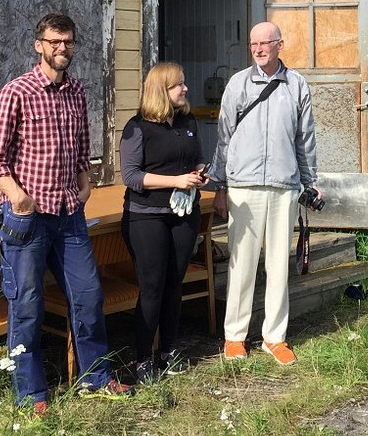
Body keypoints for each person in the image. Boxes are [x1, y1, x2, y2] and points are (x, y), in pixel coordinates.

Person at [0, 12, 133, 413]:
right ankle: (31, 396)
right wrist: (17, 196)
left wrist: (85, 179)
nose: (61, 48)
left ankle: (96, 378)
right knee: (27, 305)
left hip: (69, 216)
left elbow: (81, 146)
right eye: (54, 42)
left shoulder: (77, 91)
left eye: (67, 42)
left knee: (88, 297)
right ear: (39, 45)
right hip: (27, 221)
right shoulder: (15, 93)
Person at [208, 21, 321, 366]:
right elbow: (224, 137)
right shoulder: (238, 83)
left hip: (283, 186)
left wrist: (310, 180)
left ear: (279, 45)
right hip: (243, 186)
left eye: (265, 43)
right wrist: (220, 186)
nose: (258, 49)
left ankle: (275, 338)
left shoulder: (297, 84)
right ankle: (235, 337)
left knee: (277, 266)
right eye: (253, 44)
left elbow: (305, 138)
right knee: (242, 265)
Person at [119, 62, 208, 384]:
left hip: (184, 214)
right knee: (152, 287)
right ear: (162, 90)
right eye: (178, 85)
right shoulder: (137, 126)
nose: (185, 88)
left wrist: (199, 171)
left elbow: (195, 157)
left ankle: (169, 351)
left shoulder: (187, 121)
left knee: (174, 285)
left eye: (183, 83)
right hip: (146, 217)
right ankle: (143, 358)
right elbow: (131, 176)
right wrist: (176, 180)